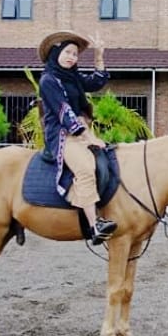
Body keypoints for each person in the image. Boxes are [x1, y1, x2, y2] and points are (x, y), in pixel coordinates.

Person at [38, 30, 117, 244]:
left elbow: (97, 82)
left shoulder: (72, 77)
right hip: (63, 135)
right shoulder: (48, 80)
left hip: (82, 130)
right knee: (84, 168)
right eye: (67, 52)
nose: (72, 57)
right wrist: (88, 138)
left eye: (75, 54)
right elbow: (63, 111)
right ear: (56, 54)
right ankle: (95, 226)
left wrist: (99, 56)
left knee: (109, 159)